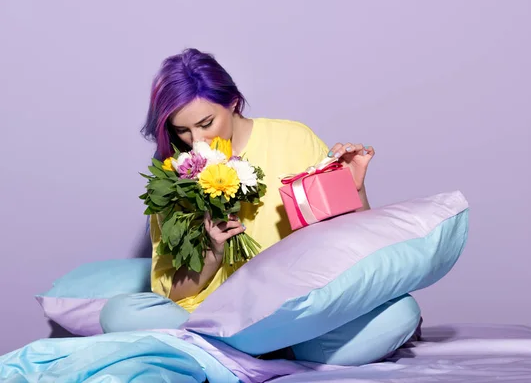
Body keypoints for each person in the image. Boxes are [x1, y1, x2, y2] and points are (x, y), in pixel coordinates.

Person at [99, 48, 421, 365]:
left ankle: (241, 353)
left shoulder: (294, 140)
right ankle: (253, 350)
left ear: (233, 103)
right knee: (118, 313)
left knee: (402, 312)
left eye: (206, 123)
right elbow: (173, 292)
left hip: (291, 315)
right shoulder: (175, 172)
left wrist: (355, 188)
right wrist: (212, 251)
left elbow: (355, 246)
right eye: (182, 130)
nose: (196, 141)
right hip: (215, 319)